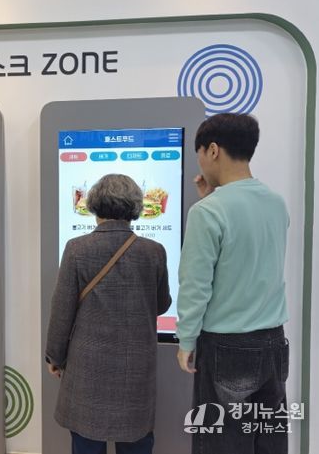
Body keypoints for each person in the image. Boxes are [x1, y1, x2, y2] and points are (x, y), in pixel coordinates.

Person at [176, 113, 290, 454]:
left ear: (212, 150)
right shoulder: (276, 203)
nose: (200, 161)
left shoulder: (207, 212)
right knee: (268, 439)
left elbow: (196, 285)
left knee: (220, 443)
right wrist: (212, 195)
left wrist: (186, 340)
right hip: (274, 343)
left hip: (226, 348)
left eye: (199, 153)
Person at [46, 173, 171, 454]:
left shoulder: (76, 249)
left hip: (87, 369)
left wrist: (55, 356)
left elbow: (62, 311)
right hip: (136, 369)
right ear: (134, 207)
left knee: (87, 442)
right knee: (136, 442)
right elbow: (161, 305)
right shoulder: (154, 252)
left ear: (94, 205)